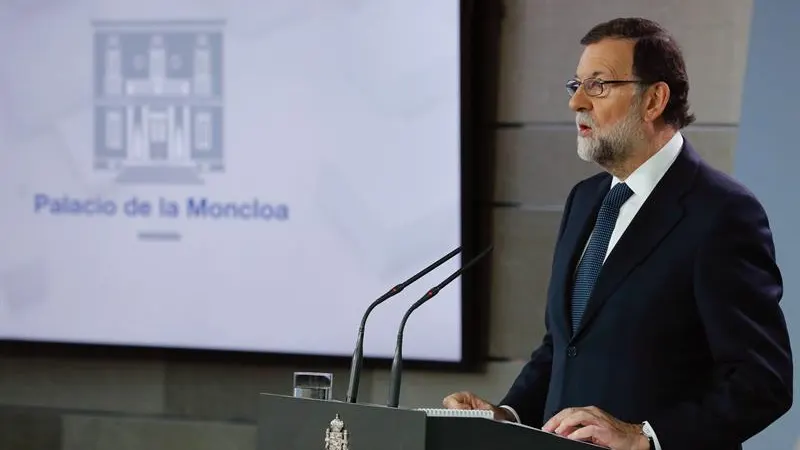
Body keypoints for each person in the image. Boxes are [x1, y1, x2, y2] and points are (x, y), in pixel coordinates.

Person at [443, 17, 793, 450]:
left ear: (654, 100)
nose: (577, 103)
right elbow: (564, 348)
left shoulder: (721, 212)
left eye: (599, 85)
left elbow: (763, 380)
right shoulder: (585, 200)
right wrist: (506, 414)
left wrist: (645, 437)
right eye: (576, 85)